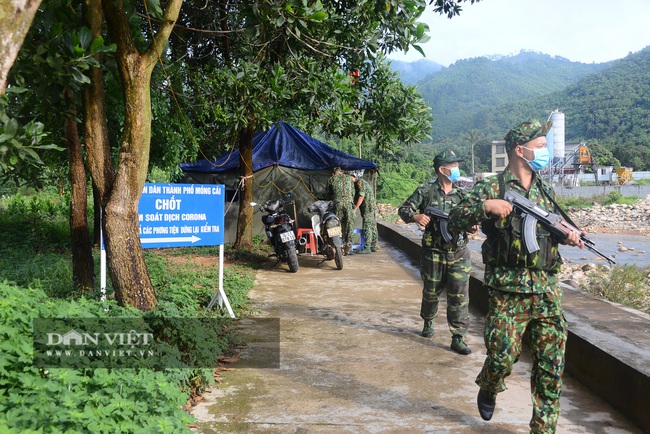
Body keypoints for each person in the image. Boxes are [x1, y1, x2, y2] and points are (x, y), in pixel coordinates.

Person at [448, 119, 584, 432]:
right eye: (540, 146)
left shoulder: (545, 189)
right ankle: (489, 383)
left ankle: (543, 428)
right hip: (507, 291)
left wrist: (569, 235)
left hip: (547, 291)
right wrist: (486, 206)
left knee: (551, 367)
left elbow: (551, 231)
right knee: (503, 358)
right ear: (519, 150)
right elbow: (455, 217)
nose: (545, 152)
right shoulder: (492, 186)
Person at [398, 150, 473, 355]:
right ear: (442, 169)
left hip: (458, 252)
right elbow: (404, 209)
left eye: (457, 165)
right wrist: (416, 216)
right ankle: (428, 321)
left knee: (459, 296)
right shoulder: (425, 191)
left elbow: (472, 219)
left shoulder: (462, 194)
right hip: (433, 253)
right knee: (431, 293)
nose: (457, 169)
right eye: (453, 165)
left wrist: (472, 226)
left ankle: (458, 337)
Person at [327, 167, 356, 255]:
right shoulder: (349, 178)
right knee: (349, 224)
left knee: (335, 223)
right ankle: (349, 246)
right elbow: (353, 193)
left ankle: (336, 245)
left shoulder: (331, 179)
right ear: (341, 172)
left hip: (337, 203)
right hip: (348, 203)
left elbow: (328, 194)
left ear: (333, 173)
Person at [352, 170, 378, 254]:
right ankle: (373, 246)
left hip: (367, 208)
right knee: (372, 226)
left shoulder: (360, 183)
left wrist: (355, 208)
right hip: (370, 207)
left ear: (354, 177)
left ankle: (367, 248)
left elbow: (361, 196)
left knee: (367, 227)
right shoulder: (361, 183)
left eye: (351, 177)